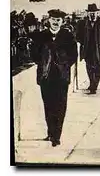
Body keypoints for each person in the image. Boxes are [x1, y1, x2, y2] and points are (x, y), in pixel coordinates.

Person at [31, 9, 77, 147]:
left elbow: (73, 55)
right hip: (46, 78)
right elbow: (34, 54)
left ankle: (56, 136)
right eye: (53, 19)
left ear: (62, 22)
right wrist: (44, 62)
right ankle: (51, 132)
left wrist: (63, 64)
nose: (55, 22)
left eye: (58, 20)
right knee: (48, 106)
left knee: (60, 107)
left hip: (62, 78)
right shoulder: (41, 36)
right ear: (49, 20)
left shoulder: (68, 36)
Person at [76, 4, 100, 95]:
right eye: (91, 13)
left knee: (98, 68)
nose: (92, 15)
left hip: (99, 50)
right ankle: (92, 83)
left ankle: (94, 86)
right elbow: (78, 36)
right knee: (89, 68)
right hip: (87, 50)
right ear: (87, 13)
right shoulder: (82, 23)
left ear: (97, 13)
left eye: (94, 13)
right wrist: (84, 43)